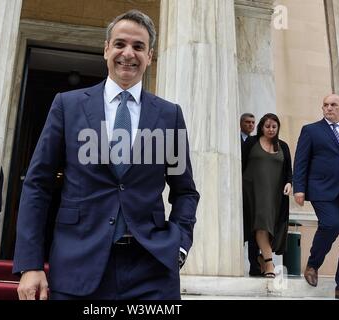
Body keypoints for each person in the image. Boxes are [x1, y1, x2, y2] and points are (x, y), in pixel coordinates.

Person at [13, 10, 199, 300]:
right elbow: (38, 184)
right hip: (78, 264)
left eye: (138, 47)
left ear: (149, 56)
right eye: (120, 44)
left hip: (151, 270)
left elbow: (185, 191)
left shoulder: (169, 115)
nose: (128, 53)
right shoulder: (68, 106)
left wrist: (180, 244)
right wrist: (30, 264)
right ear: (106, 50)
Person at [293, 94, 339, 300]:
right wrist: (299, 188)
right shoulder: (311, 130)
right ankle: (313, 264)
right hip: (323, 189)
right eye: (325, 105)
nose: (329, 108)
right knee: (331, 225)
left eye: (333, 105)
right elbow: (301, 161)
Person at [242, 113, 292, 278]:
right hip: (253, 192)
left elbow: (288, 171)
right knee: (261, 224)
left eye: (274, 126)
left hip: (276, 194)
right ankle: (270, 264)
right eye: (267, 126)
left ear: (278, 128)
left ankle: (260, 259)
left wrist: (289, 183)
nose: (271, 129)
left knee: (272, 228)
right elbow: (240, 163)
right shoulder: (251, 142)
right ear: (261, 127)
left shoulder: (283, 146)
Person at [239, 113, 261, 276]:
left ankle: (254, 266)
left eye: (253, 122)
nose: (250, 125)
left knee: (254, 229)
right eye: (247, 122)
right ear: (241, 123)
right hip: (235, 188)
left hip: (252, 190)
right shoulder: (234, 139)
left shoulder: (256, 142)